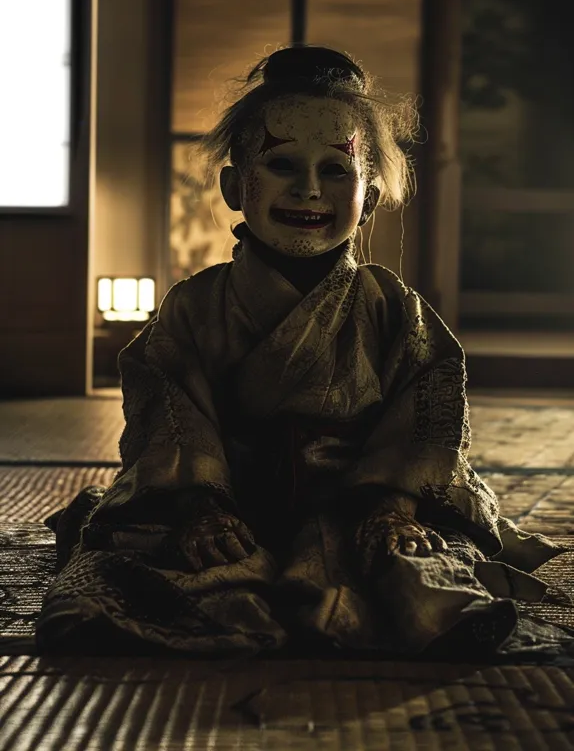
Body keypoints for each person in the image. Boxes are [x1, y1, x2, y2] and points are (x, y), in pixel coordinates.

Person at [36, 45, 568, 658]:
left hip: (358, 501)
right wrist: (200, 505)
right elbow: (170, 415)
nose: (309, 190)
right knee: (163, 569)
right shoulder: (195, 306)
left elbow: (430, 412)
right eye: (283, 164)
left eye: (336, 171)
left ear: (368, 197)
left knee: (401, 569)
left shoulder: (392, 307)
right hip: (231, 501)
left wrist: (393, 503)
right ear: (237, 186)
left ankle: (429, 591)